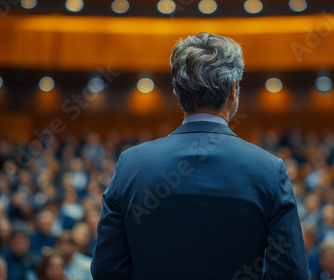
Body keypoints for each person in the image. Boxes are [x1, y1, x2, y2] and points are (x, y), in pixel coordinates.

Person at [91, 32, 309, 279]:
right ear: (232, 91)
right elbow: (292, 273)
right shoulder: (270, 170)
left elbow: (106, 270)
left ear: (178, 93)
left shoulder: (131, 165)